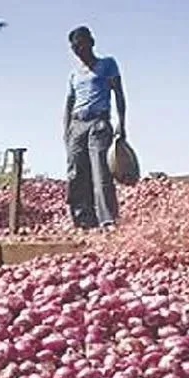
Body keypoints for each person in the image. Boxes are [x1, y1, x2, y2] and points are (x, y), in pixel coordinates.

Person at [64, 26, 126, 230]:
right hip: (77, 124)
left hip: (99, 122)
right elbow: (69, 103)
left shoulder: (107, 64)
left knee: (101, 173)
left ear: (91, 43)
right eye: (74, 47)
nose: (78, 50)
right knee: (76, 174)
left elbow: (118, 93)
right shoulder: (74, 74)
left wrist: (121, 123)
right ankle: (83, 219)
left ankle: (107, 220)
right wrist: (66, 131)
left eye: (81, 44)